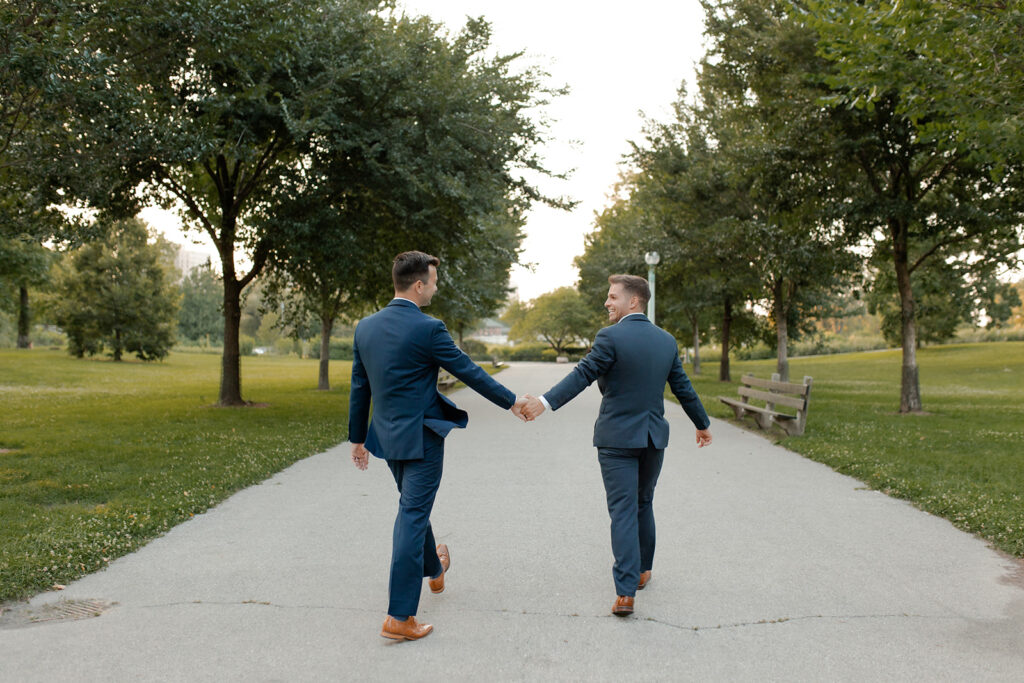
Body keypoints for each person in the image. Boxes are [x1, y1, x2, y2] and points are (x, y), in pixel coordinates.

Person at [349, 251, 528, 641]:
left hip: (387, 436)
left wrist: (357, 438)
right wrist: (513, 401)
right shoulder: (429, 328)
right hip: (423, 437)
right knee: (412, 516)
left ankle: (435, 568)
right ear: (418, 284)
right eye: (432, 281)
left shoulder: (365, 327)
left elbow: (360, 386)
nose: (435, 286)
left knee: (414, 508)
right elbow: (469, 371)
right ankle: (399, 617)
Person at [521, 274, 712, 616]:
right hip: (653, 438)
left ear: (633, 301)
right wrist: (702, 424)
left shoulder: (610, 337)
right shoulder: (666, 341)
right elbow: (682, 388)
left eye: (612, 297)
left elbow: (583, 373)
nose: (607, 303)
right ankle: (642, 571)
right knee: (643, 503)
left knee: (623, 509)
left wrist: (544, 402)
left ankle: (625, 593)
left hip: (616, 439)